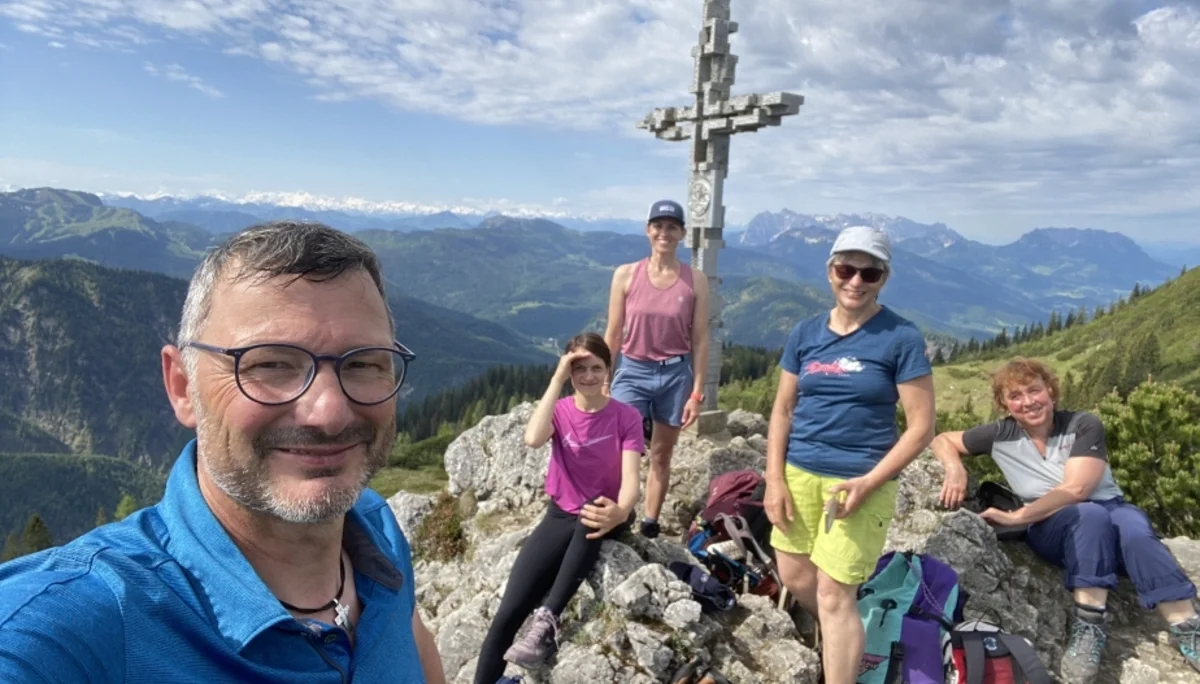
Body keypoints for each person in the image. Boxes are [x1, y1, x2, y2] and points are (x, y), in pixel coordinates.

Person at [0, 221, 445, 683]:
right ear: (182, 388)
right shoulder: (82, 623)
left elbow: (409, 639)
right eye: (271, 364)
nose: (329, 413)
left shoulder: (376, 532)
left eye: (364, 363)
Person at [930, 357, 1199, 681]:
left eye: (1034, 390)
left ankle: (1187, 628)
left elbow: (1077, 488)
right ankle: (1090, 624)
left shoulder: (1082, 425)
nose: (1028, 401)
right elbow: (942, 439)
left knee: (1135, 532)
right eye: (1016, 396)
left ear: (1051, 392)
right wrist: (954, 467)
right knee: (1089, 516)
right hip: (1054, 523)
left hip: (1100, 507)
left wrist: (1018, 516)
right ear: (1004, 404)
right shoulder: (1000, 433)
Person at [762, 226, 936, 684]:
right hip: (799, 474)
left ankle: (841, 663)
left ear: (884, 277)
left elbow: (921, 428)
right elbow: (782, 410)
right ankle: (849, 636)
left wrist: (869, 483)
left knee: (836, 595)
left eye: (870, 272)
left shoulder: (900, 337)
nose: (856, 281)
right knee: (798, 579)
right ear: (830, 271)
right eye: (846, 269)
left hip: (860, 482)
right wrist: (774, 480)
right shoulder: (805, 334)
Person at [475, 333, 643, 683]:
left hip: (603, 513)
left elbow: (631, 478)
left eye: (597, 368)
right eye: (579, 369)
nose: (588, 377)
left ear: (609, 370)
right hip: (559, 514)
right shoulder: (562, 411)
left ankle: (547, 620)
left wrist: (621, 511)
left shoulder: (626, 417)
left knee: (592, 511)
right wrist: (556, 378)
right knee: (508, 612)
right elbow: (533, 438)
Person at [604, 199, 709, 539]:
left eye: (672, 227)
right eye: (658, 226)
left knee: (662, 454)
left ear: (682, 234)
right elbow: (614, 332)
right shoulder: (625, 274)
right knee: (622, 448)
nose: (665, 232)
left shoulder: (695, 280)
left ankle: (650, 523)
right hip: (633, 370)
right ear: (648, 230)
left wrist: (697, 391)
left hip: (675, 375)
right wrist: (605, 378)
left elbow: (700, 337)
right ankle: (619, 513)